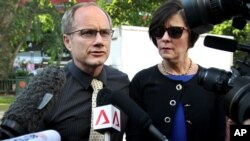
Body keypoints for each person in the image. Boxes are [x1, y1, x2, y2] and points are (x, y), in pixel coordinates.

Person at [125, 0, 226, 141]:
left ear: (191, 34)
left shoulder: (212, 82)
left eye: (175, 32)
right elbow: (133, 136)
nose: (165, 38)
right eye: (159, 32)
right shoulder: (142, 81)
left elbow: (219, 135)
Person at [33, 2, 129, 141]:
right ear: (67, 41)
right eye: (88, 33)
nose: (99, 41)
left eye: (105, 33)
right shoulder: (49, 88)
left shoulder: (122, 83)